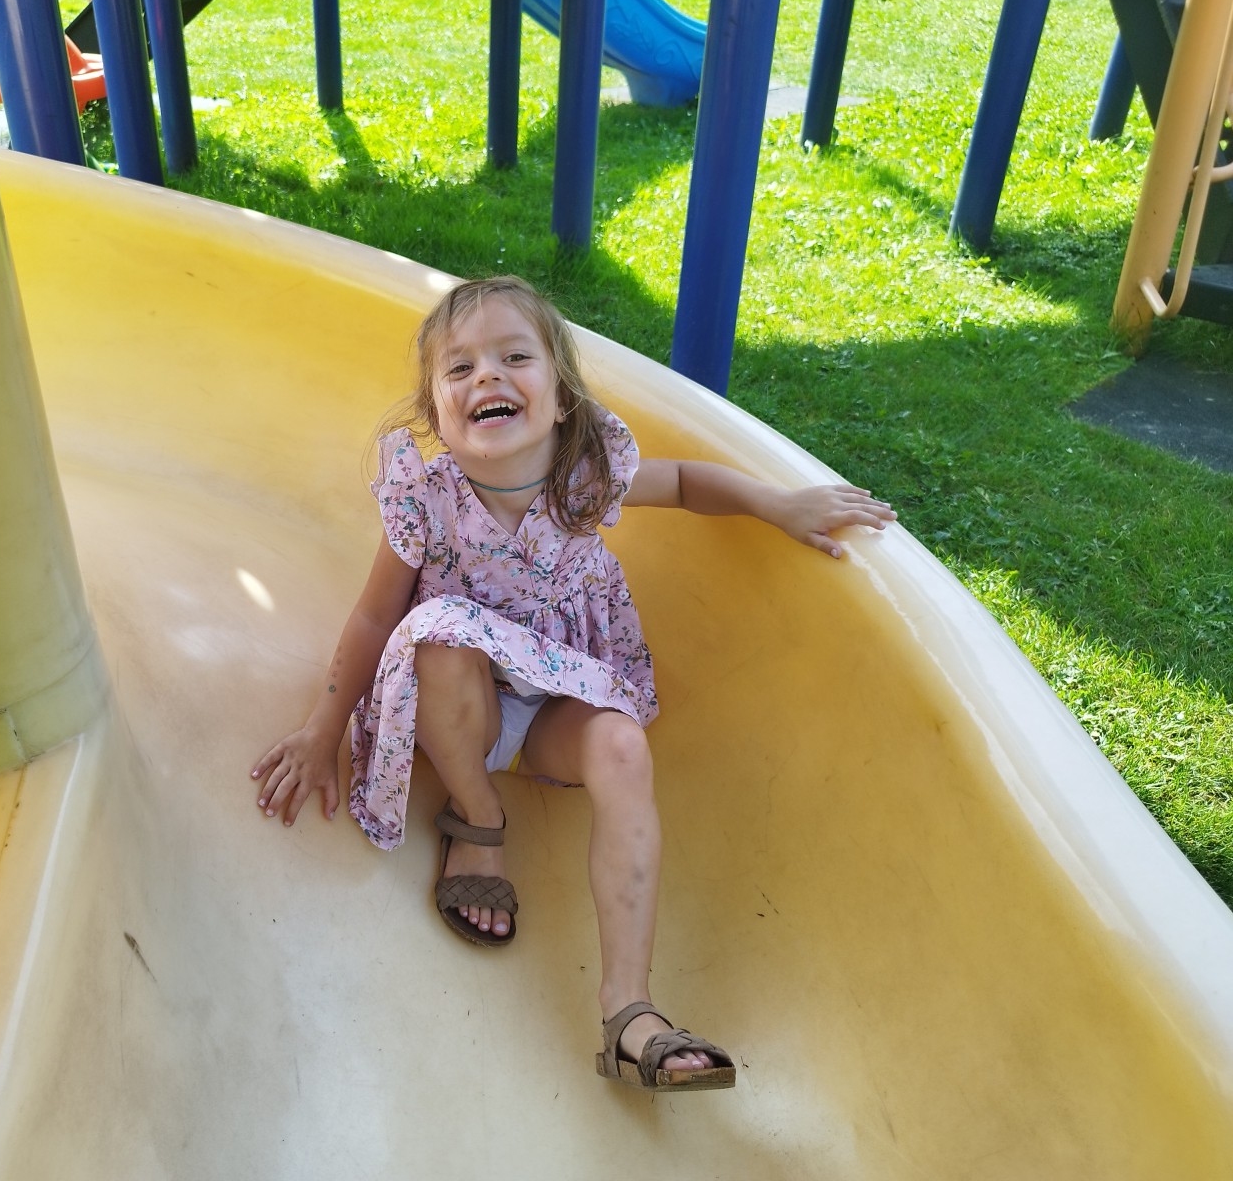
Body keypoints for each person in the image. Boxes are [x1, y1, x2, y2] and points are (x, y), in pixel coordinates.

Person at [250, 275, 895, 1092]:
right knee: (441, 636)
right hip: (459, 716)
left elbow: (684, 484)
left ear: (560, 399)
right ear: (438, 417)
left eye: (514, 358)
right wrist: (322, 729)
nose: (487, 375)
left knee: (621, 746)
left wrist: (778, 504)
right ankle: (478, 819)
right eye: (460, 369)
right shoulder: (427, 502)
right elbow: (377, 617)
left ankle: (630, 1009)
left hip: (554, 711)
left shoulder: (581, 477)